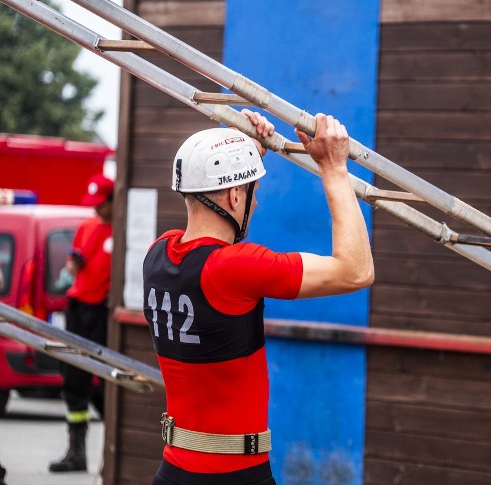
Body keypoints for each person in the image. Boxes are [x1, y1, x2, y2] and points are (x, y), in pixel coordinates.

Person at [143, 110, 374, 485]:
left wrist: (242, 150)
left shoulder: (158, 254)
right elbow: (356, 271)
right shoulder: (233, 268)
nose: (256, 204)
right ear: (235, 195)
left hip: (173, 471)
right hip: (235, 474)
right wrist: (333, 168)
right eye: (253, 195)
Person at [49, 172, 114, 473]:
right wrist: (72, 268)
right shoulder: (87, 226)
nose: (96, 210)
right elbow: (75, 265)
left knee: (105, 385)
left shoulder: (120, 229)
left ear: (114, 201)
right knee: (73, 382)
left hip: (101, 313)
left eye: (101, 204)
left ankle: (112, 452)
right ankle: (76, 453)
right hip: (77, 309)